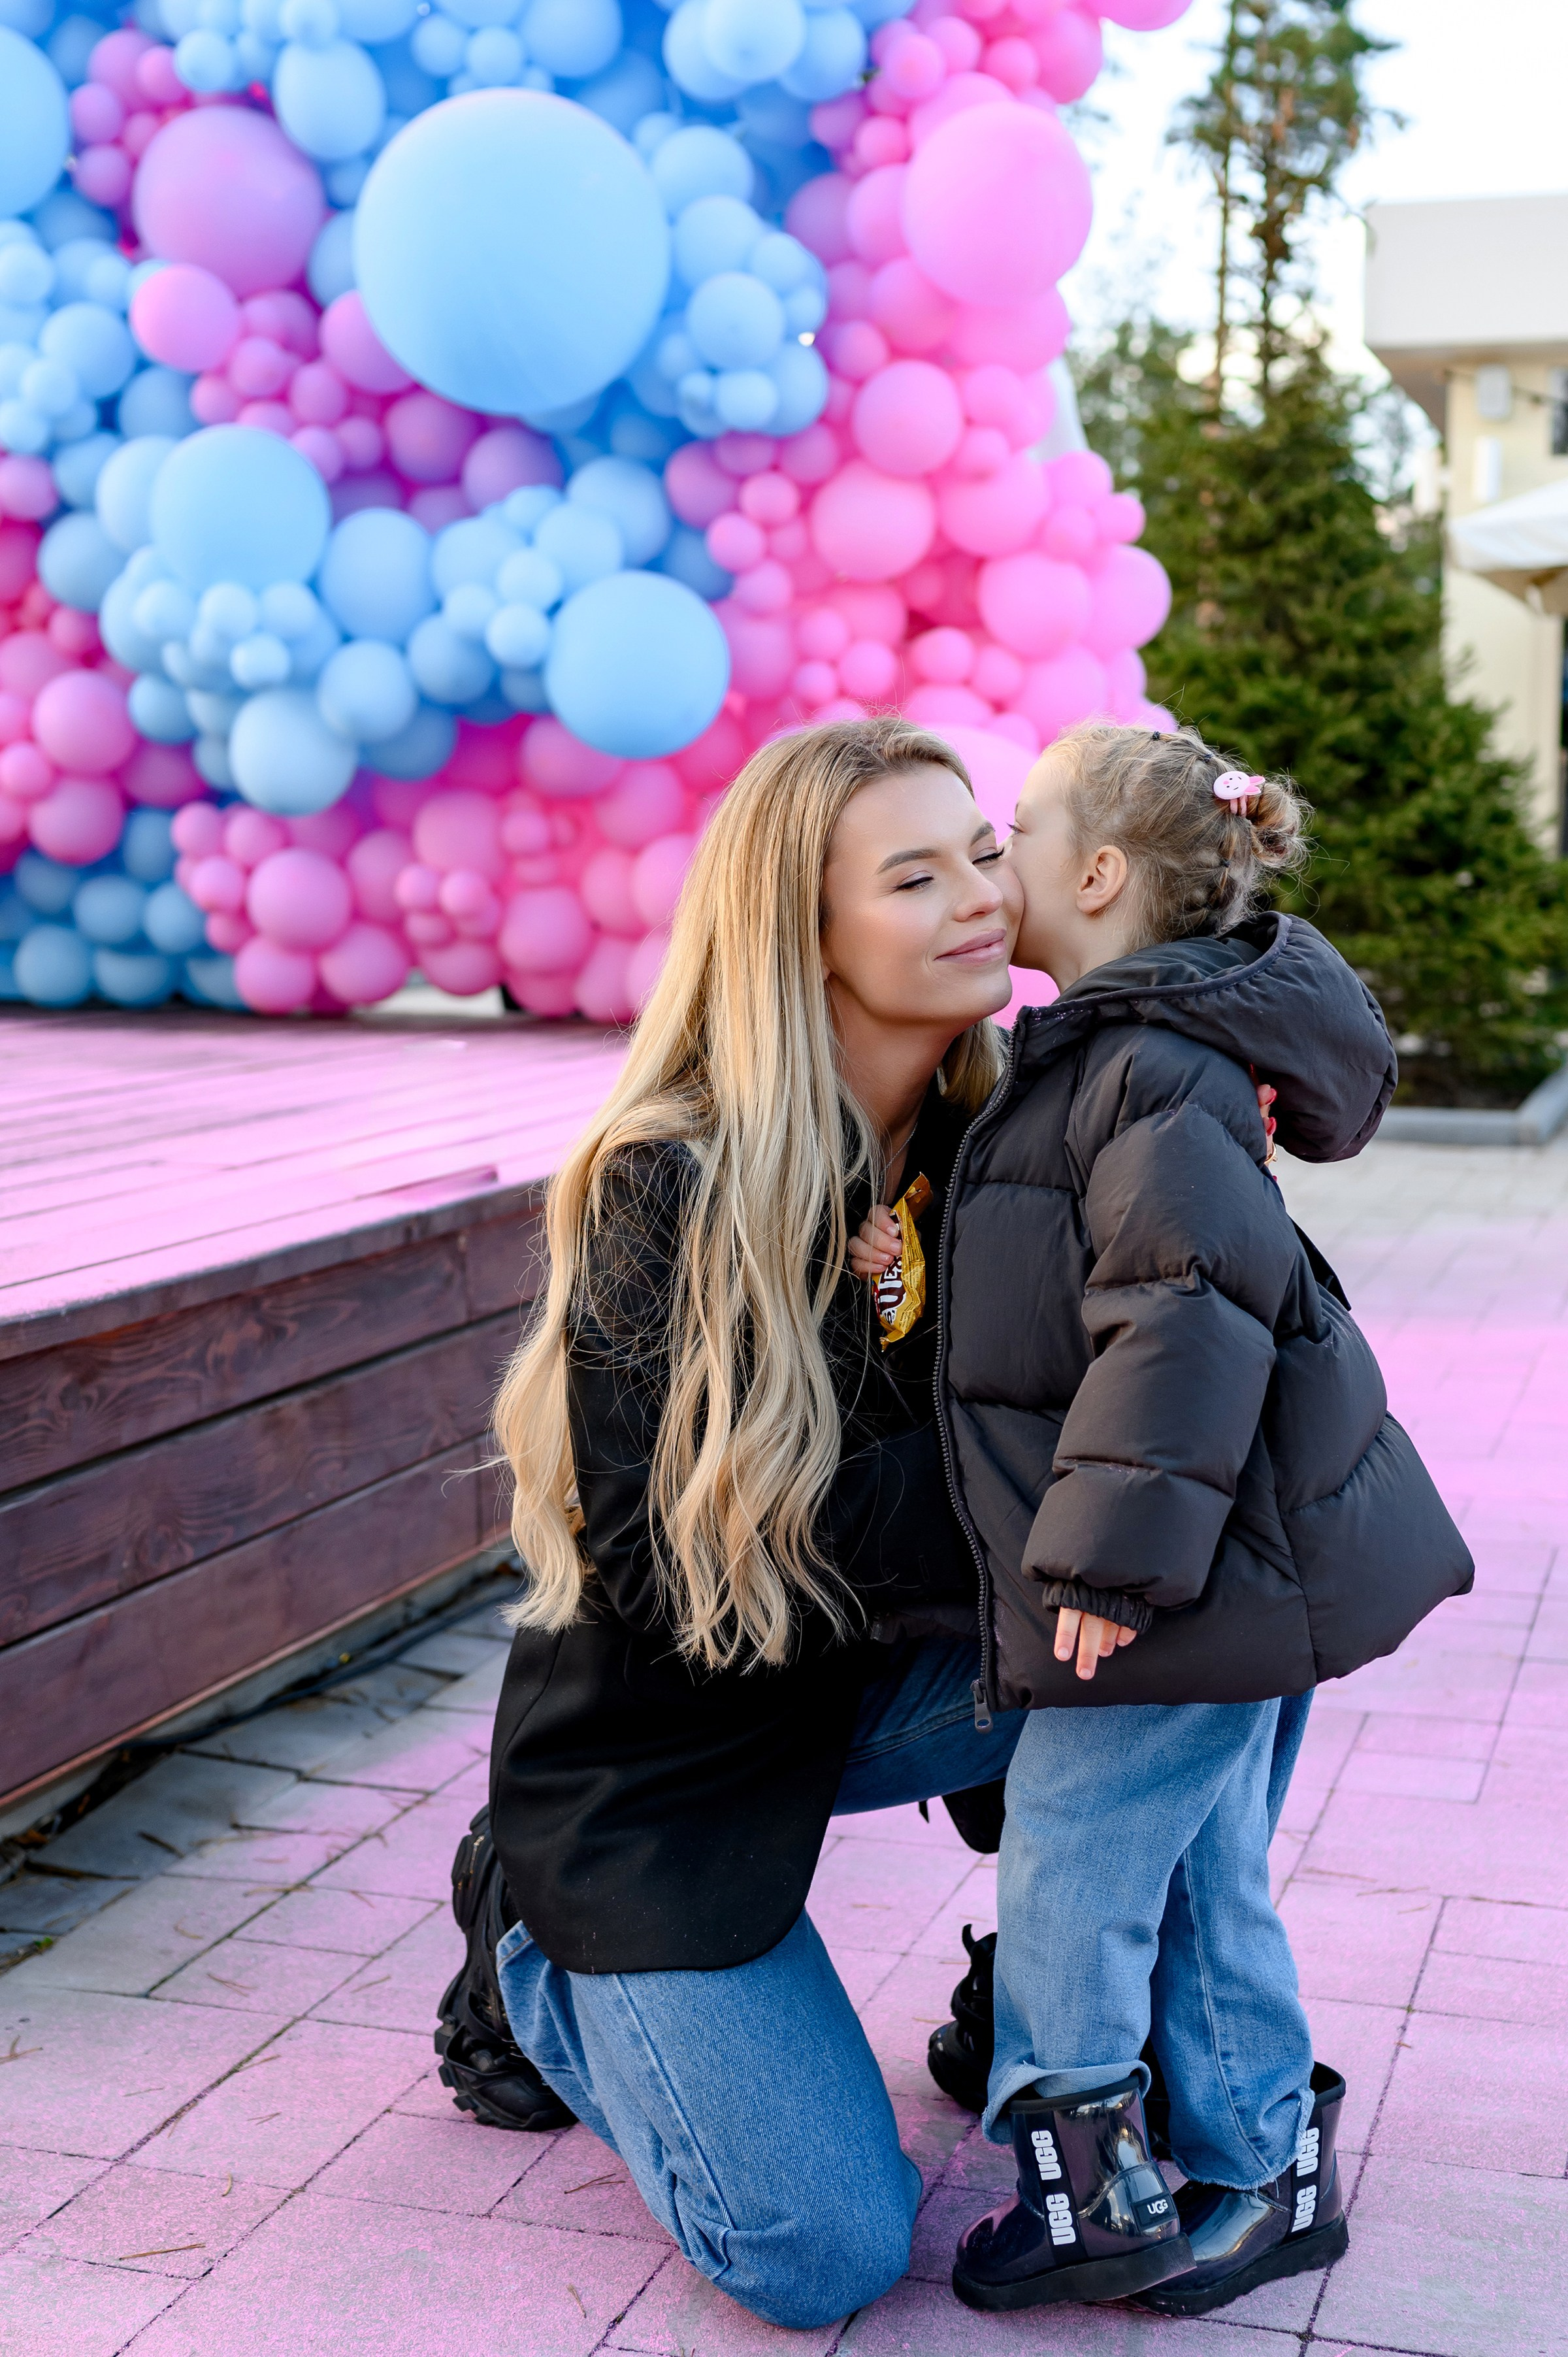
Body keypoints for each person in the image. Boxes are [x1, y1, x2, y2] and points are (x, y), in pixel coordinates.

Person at [853, 722, 1472, 2316]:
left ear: (1103, 874)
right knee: (1198, 1869)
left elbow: (1187, 1309)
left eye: (1018, 832)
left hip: (1174, 1577)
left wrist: (1114, 1563)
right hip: (1216, 1566)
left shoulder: (1151, 1064)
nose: (997, 858)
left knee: (1072, 1854)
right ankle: (1263, 2163)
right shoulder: (1114, 1049)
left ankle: (1085, 2175)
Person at [482, 717, 1033, 2332]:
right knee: (827, 2252)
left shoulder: (996, 1144)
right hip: (668, 1752)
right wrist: (1020, 1477)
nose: (980, 897)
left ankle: (1070, 2009)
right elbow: (669, 1573)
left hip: (862, 1675)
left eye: (985, 852)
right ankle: (524, 1952)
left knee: (1233, 1615)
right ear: (804, 932)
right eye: (915, 875)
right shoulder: (674, 1181)